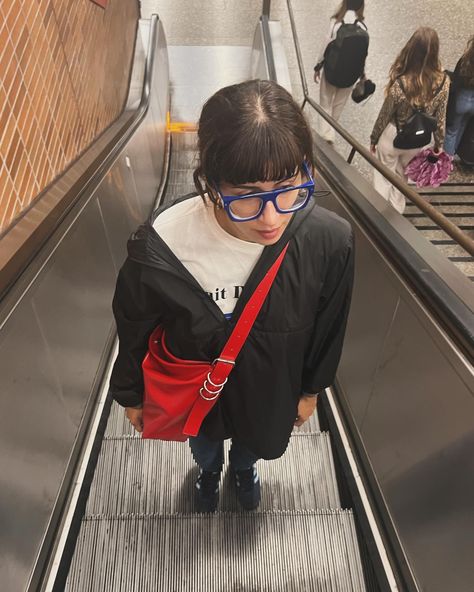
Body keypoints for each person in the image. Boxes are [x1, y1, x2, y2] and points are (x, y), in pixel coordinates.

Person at [109, 80, 354, 513]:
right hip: (197, 388)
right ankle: (208, 471)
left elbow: (328, 324)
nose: (272, 217)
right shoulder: (161, 246)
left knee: (253, 442)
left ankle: (243, 469)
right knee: (204, 442)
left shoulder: (327, 241)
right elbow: (133, 326)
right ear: (210, 181)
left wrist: (313, 389)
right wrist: (130, 394)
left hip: (271, 387)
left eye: (288, 186)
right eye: (247, 197)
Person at [370, 28, 450, 214]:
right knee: (402, 177)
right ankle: (396, 211)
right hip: (418, 140)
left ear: (411, 50)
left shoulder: (401, 82)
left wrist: (374, 139)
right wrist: (439, 144)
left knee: (383, 175)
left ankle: (378, 214)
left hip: (393, 135)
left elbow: (385, 115)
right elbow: (440, 117)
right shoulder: (444, 81)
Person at [313, 0, 368, 144]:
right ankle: (331, 130)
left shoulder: (336, 22)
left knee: (325, 102)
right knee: (338, 104)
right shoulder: (362, 26)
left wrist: (318, 66)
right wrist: (362, 74)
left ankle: (325, 135)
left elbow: (325, 46)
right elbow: (362, 54)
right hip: (350, 75)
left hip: (332, 72)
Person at [444, 36, 474, 156]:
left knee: (451, 131)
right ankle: (455, 150)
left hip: (462, 100)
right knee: (463, 125)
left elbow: (456, 81)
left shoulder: (465, 60)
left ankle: (446, 159)